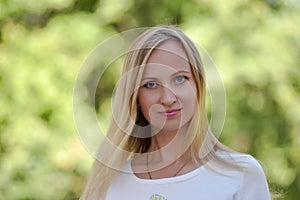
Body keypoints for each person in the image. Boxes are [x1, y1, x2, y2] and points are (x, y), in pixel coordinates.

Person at [81, 25, 271, 200]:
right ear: (135, 96)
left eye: (180, 79)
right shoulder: (110, 183)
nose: (168, 98)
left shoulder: (240, 174)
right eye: (151, 84)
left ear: (198, 86)